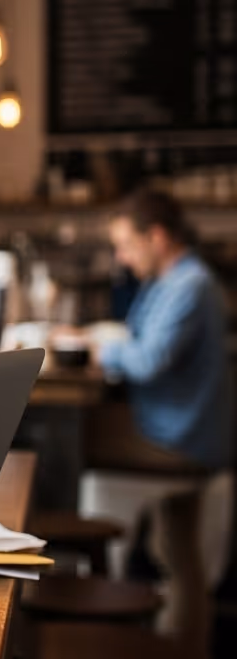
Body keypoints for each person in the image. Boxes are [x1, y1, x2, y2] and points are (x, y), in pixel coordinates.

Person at [58, 189, 233, 654]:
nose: (121, 257)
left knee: (71, 443)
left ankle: (94, 612)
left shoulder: (189, 286)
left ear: (156, 237)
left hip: (179, 436)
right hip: (191, 428)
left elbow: (149, 359)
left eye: (126, 245)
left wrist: (95, 348)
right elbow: (141, 338)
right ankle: (181, 646)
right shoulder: (177, 280)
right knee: (178, 552)